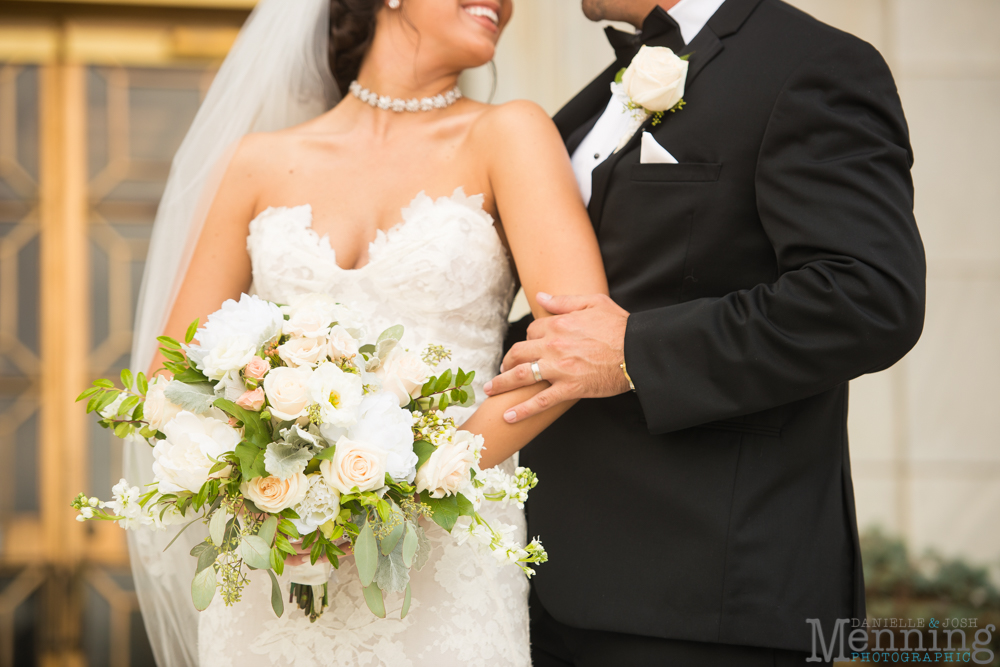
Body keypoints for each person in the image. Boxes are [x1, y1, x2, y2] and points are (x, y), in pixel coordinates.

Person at [128, 0, 606, 665]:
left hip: (446, 558)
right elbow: (167, 383)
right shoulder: (254, 164)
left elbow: (576, 346)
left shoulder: (509, 134)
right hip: (279, 565)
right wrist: (276, 495)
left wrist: (407, 492)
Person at [487, 0, 926, 665]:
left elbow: (867, 295)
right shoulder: (589, 101)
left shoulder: (812, 66)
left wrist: (634, 351)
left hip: (705, 600)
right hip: (540, 583)